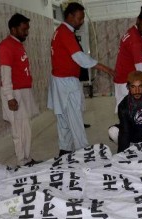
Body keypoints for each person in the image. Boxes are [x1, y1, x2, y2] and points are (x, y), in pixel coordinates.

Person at [48, 2, 115, 157]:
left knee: (63, 117)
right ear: (70, 16)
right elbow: (80, 58)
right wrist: (107, 69)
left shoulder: (60, 31)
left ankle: (65, 150)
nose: (82, 21)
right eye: (79, 18)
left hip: (59, 80)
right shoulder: (65, 32)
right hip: (66, 82)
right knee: (75, 118)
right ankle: (82, 151)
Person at [0, 13, 39, 166]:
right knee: (18, 130)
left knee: (25, 128)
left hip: (23, 91)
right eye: (24, 30)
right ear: (14, 29)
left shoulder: (17, 44)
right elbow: (5, 73)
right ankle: (22, 161)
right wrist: (10, 97)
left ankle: (27, 158)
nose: (26, 33)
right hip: (14, 93)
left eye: (27, 29)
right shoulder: (6, 46)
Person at [113, 10, 142, 113]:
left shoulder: (132, 31)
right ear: (138, 20)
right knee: (126, 110)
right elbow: (140, 66)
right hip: (126, 79)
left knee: (126, 108)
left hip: (123, 76)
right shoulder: (135, 40)